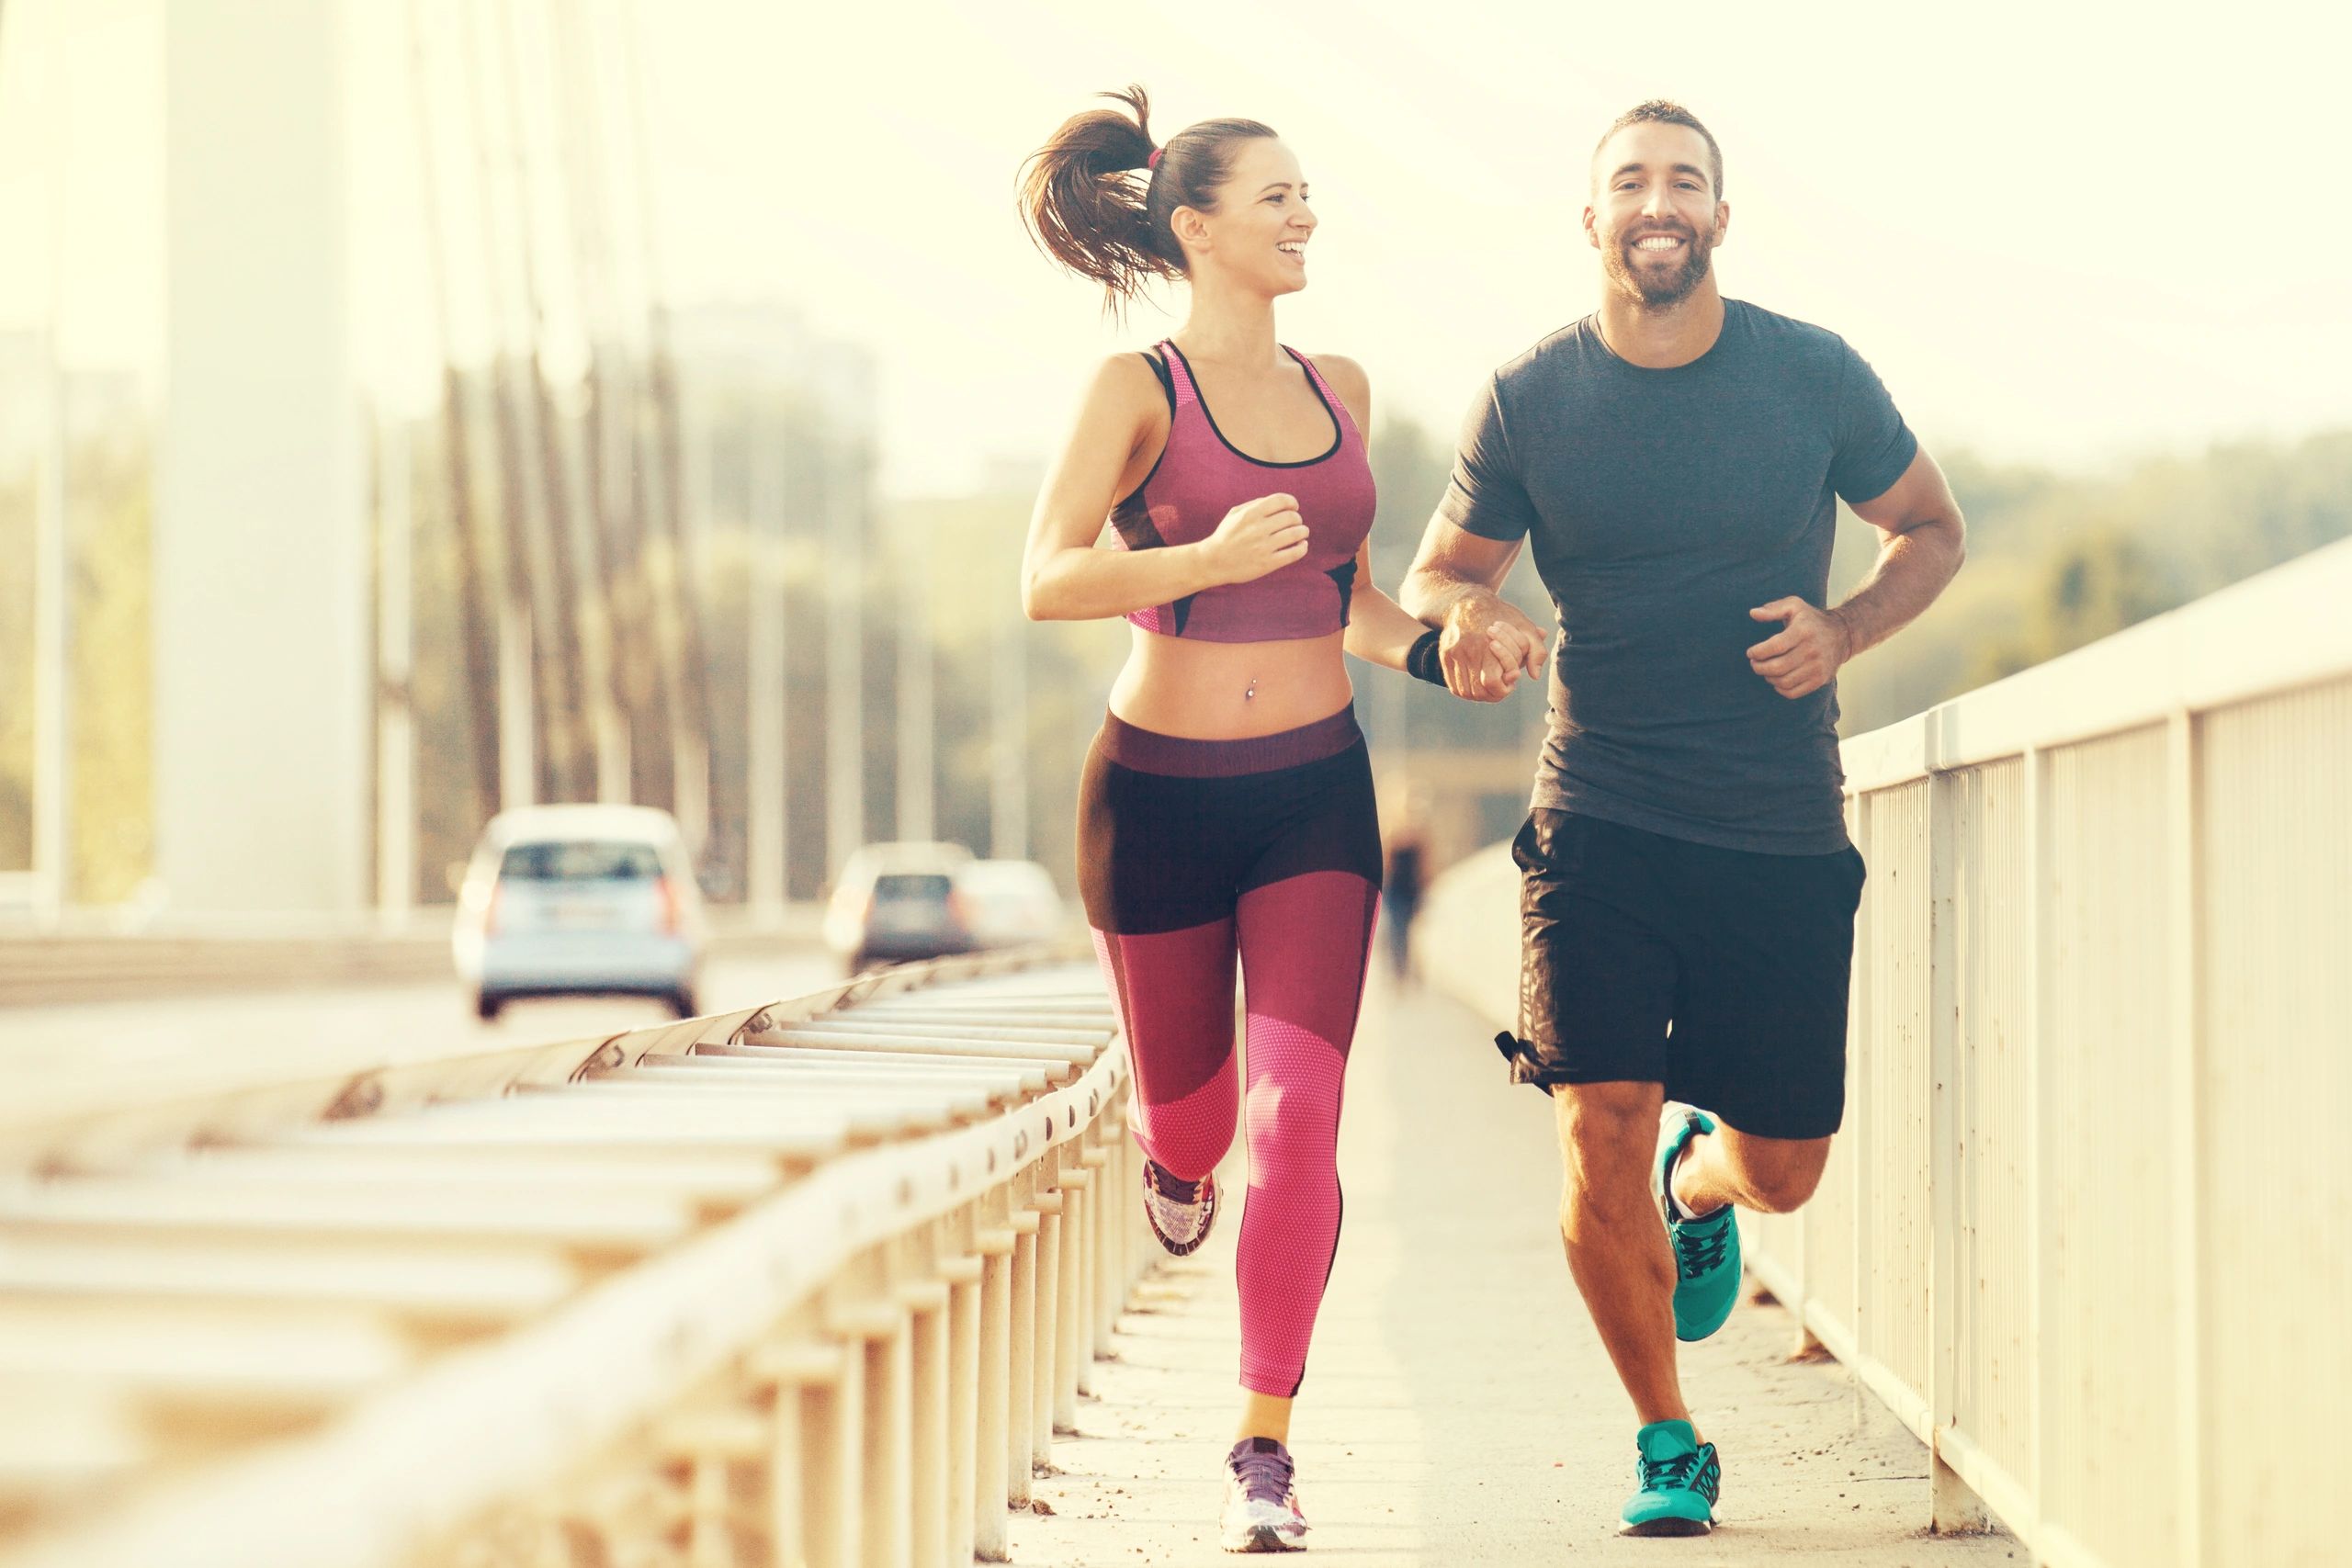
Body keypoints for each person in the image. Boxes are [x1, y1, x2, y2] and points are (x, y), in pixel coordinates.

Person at [1399, 100, 1967, 1538]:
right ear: (1590, 219)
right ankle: (1667, 1435)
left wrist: (1844, 629)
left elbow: (1932, 528)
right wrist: (1474, 613)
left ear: (1721, 217)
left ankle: (1703, 1188)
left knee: (1786, 1166)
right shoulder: (1532, 396)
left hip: (1776, 820)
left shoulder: (1812, 374)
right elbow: (1434, 574)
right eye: (1632, 183)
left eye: (1687, 183)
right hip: (1597, 812)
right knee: (1597, 1122)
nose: (1660, 204)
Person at [1017, 86, 1488, 1552]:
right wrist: (1200, 556)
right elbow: (1048, 575)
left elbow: (1347, 604)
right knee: (1203, 1124)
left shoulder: (1342, 388)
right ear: (1197, 223)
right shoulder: (1136, 392)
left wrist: (1444, 647)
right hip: (1154, 799)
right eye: (1276, 196)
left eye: (1308, 195)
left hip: (1311, 799)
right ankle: (1170, 1164)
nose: (1305, 217)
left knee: (1302, 1116)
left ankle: (1263, 1443)